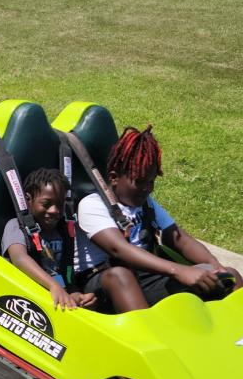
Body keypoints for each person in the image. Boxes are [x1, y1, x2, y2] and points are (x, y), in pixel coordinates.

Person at [74, 126, 241, 313]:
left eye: (151, 181)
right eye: (139, 181)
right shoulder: (92, 204)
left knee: (228, 275)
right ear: (114, 178)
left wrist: (214, 265)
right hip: (103, 285)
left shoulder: (147, 204)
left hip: (144, 278)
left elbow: (180, 239)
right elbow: (119, 249)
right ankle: (145, 339)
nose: (147, 188)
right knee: (122, 276)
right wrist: (179, 270)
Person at [1, 168, 96, 310]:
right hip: (25, 299)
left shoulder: (64, 231)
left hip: (57, 296)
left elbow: (67, 272)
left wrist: (75, 294)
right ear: (28, 199)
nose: (54, 210)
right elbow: (19, 258)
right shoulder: (16, 226)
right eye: (46, 204)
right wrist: (54, 286)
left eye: (60, 204)